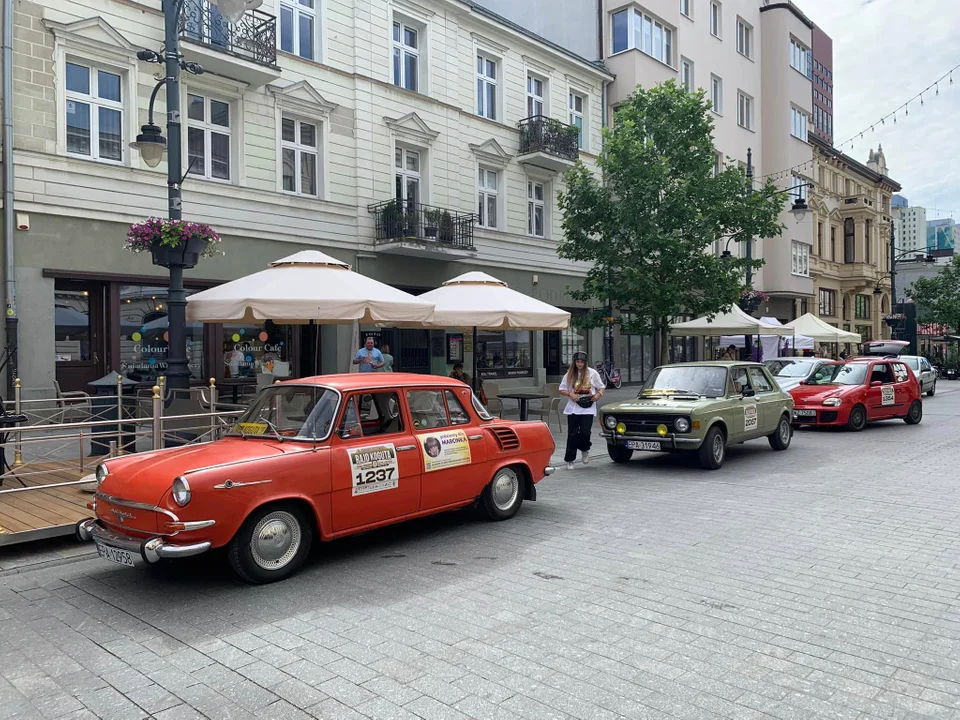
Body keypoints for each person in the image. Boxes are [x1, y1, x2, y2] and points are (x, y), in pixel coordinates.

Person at [558, 351, 605, 470]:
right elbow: (561, 389)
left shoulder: (592, 373)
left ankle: (585, 448)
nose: (579, 364)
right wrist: (570, 394)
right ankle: (570, 459)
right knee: (572, 433)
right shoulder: (569, 374)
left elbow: (601, 386)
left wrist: (598, 394)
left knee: (585, 432)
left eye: (582, 362)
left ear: (585, 362)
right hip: (573, 407)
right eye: (577, 362)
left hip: (588, 407)